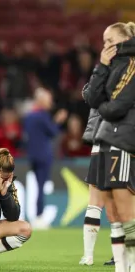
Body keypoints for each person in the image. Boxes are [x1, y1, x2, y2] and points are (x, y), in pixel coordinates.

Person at [83, 21, 135, 272]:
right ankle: (121, 266)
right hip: (107, 137)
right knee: (113, 211)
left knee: (126, 211)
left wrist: (102, 107)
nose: (105, 46)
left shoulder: (132, 64)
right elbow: (91, 96)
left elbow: (116, 106)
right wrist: (102, 66)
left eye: (109, 41)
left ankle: (131, 265)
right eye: (103, 41)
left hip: (123, 139)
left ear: (123, 41)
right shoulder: (111, 65)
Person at [22, 88, 68, 229]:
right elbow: (53, 132)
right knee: (41, 186)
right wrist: (58, 120)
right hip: (43, 155)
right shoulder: (42, 116)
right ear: (41, 101)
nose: (51, 103)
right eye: (48, 100)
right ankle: (39, 217)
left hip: (32, 154)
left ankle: (37, 215)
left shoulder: (29, 116)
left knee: (38, 186)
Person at [80, 106, 115, 266]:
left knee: (95, 201)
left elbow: (89, 94)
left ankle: (88, 256)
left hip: (100, 139)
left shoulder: (100, 82)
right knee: (124, 201)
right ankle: (122, 253)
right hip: (123, 141)